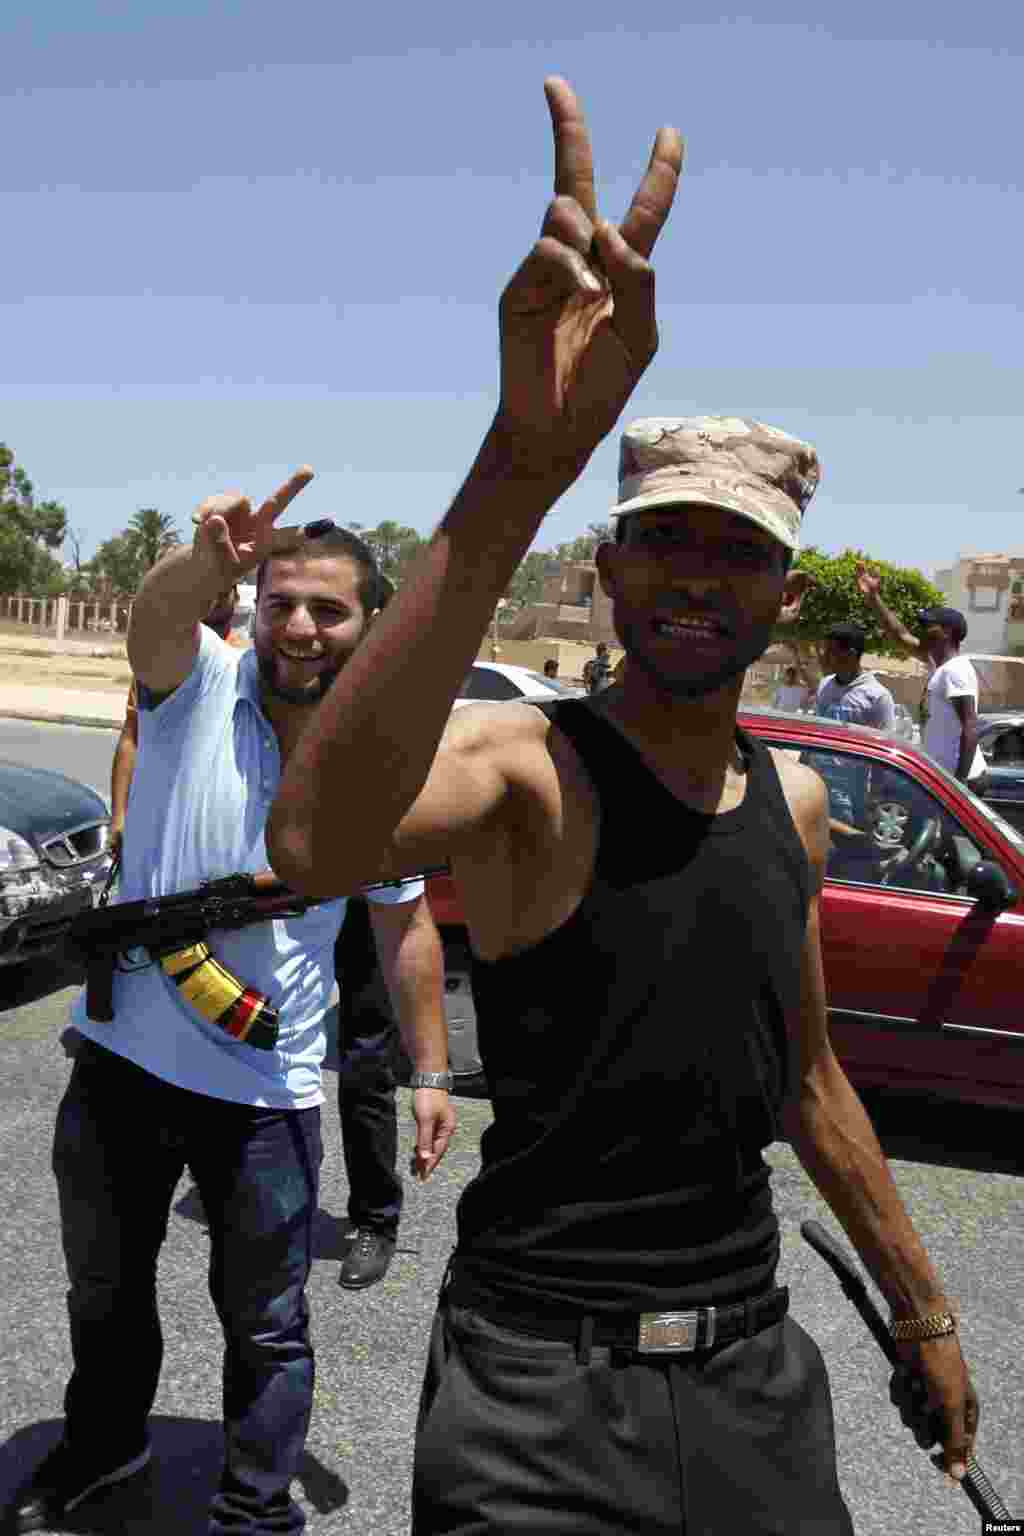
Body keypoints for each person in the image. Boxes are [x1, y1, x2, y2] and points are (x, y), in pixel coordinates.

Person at [267, 79, 976, 1535]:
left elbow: (811, 1078)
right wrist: (519, 465)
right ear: (610, 572)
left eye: (738, 551)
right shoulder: (537, 772)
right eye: (665, 545)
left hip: (753, 1384)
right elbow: (314, 844)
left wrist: (927, 1313)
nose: (698, 579)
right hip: (535, 1395)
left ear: (788, 593)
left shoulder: (796, 802)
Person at [7, 494, 456, 1536]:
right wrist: (196, 564)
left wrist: (430, 1072)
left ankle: (257, 1509)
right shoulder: (197, 682)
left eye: (329, 612)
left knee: (265, 1327)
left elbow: (407, 929)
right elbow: (152, 623)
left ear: (371, 626)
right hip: (121, 1066)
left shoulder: (380, 763)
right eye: (281, 603)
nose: (300, 627)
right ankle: (104, 1447)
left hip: (264, 1091)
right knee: (102, 1293)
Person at [332, 575, 448, 1292]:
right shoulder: (286, 684)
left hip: (367, 899)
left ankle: (375, 1219)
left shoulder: (390, 698)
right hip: (287, 898)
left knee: (363, 1067)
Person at [109, 584, 240, 859]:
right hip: (154, 822)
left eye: (224, 589)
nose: (215, 595)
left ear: (236, 600)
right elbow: (132, 737)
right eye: (209, 586)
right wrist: (119, 818)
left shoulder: (248, 661)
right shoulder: (160, 663)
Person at [855, 569, 987, 790]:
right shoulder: (938, 665)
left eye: (929, 625)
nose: (922, 630)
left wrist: (960, 784)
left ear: (947, 632)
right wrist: (873, 598)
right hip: (943, 778)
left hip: (961, 780)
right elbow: (900, 635)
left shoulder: (956, 670)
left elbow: (970, 725)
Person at [815, 623, 896, 731]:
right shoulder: (824, 685)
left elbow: (886, 740)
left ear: (851, 654)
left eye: (831, 651)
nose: (824, 657)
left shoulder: (878, 696)